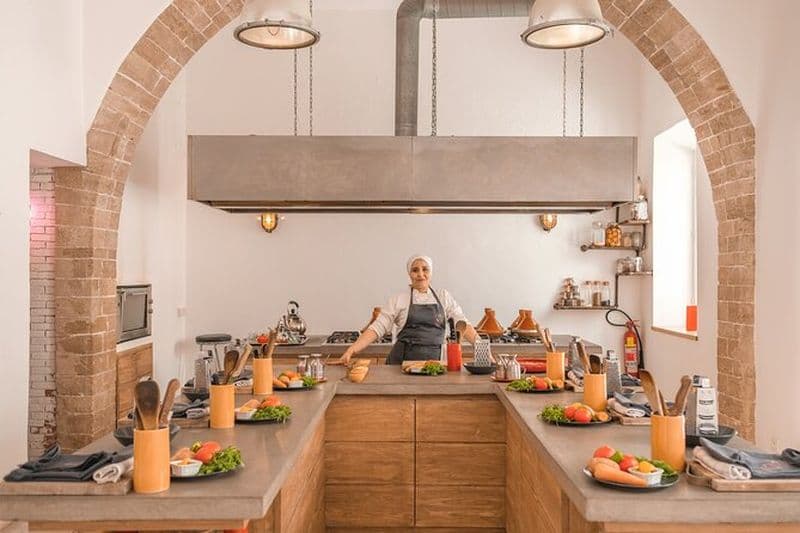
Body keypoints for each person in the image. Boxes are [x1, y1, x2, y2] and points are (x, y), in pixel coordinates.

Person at [340, 254, 479, 365]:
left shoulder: (444, 297)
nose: (420, 274)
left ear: (431, 272)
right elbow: (377, 328)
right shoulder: (399, 299)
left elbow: (462, 324)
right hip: (400, 365)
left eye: (425, 269)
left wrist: (483, 351)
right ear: (409, 274)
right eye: (415, 270)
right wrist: (351, 350)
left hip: (435, 364)